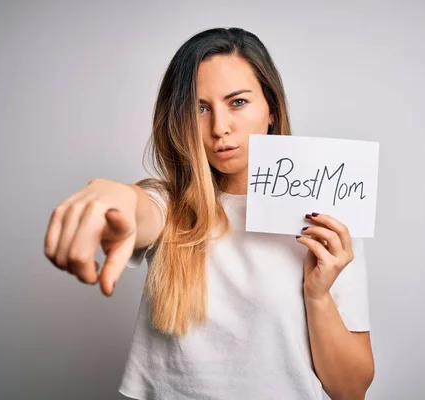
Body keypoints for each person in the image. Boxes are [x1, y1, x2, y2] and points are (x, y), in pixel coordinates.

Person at [44, 27, 374, 400]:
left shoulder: (326, 218)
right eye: (200, 108)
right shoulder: (168, 203)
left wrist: (318, 295)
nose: (219, 128)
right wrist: (113, 195)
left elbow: (350, 390)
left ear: (272, 109)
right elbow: (140, 209)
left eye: (237, 103)